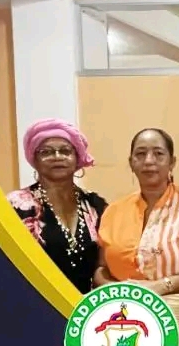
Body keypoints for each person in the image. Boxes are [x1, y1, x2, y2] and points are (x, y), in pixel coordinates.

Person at [94, 128, 179, 346]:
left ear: (172, 162)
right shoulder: (114, 210)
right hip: (127, 325)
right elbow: (102, 268)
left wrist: (160, 287)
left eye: (158, 153)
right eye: (140, 154)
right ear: (131, 163)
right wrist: (122, 292)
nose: (149, 161)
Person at [6, 119, 107, 294]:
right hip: (31, 302)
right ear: (34, 159)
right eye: (46, 152)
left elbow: (104, 263)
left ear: (77, 158)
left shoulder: (95, 205)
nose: (57, 157)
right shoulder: (17, 205)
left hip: (85, 306)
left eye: (66, 151)